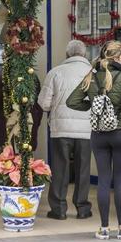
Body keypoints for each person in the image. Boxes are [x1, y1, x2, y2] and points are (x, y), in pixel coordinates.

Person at [67, 40, 121, 240]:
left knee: (103, 179)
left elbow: (72, 101)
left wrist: (93, 108)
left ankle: (104, 228)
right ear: (119, 57)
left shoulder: (90, 76)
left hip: (98, 134)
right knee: (119, 180)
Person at [38, 40, 93, 221]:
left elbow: (44, 104)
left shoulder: (55, 72)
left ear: (68, 54)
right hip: (86, 129)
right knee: (83, 168)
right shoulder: (93, 74)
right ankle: (83, 208)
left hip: (60, 129)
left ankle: (59, 209)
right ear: (84, 55)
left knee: (60, 167)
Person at [0, 71, 43, 152]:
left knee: (6, 160)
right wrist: (35, 123)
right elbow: (38, 105)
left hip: (6, 128)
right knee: (26, 160)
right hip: (28, 127)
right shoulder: (32, 76)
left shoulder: (0, 77)